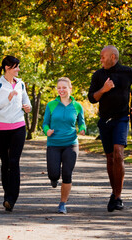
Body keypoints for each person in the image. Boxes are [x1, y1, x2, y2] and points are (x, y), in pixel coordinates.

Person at [88, 45, 132, 212]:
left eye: (102, 56)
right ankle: (114, 193)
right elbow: (91, 98)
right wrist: (104, 89)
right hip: (104, 121)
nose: (100, 59)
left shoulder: (128, 72)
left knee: (118, 154)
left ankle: (117, 196)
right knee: (110, 158)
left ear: (113, 57)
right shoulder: (98, 75)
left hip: (122, 119)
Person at [0, 56, 32, 212]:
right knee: (5, 163)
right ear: (7, 68)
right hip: (1, 129)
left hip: (19, 126)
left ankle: (12, 199)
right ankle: (7, 196)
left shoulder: (21, 84)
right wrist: (7, 99)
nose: (18, 69)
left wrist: (28, 107)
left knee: (14, 161)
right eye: (16, 67)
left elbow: (27, 103)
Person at [43, 77, 86, 214]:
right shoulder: (51, 105)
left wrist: (82, 129)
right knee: (54, 173)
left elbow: (82, 122)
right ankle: (54, 179)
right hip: (54, 143)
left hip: (71, 144)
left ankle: (62, 203)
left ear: (70, 89)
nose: (61, 90)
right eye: (59, 87)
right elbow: (45, 124)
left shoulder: (77, 106)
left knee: (67, 174)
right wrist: (47, 131)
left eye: (64, 87)